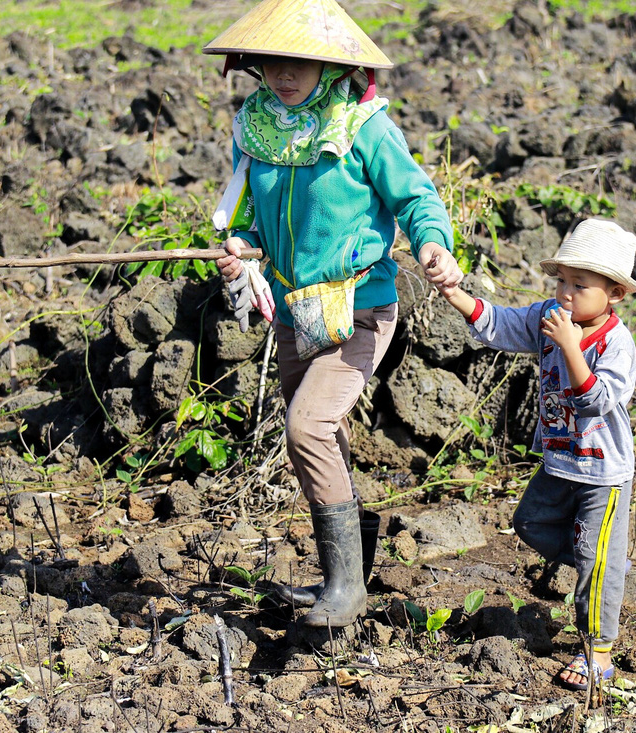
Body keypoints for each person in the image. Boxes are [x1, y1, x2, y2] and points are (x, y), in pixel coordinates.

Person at [202, 0, 462, 629]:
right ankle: (347, 570)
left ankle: (346, 589)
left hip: (361, 308)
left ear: (329, 63)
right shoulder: (256, 127)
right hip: (295, 310)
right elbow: (243, 214)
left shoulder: (362, 125)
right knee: (324, 439)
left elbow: (416, 195)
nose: (284, 75)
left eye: (300, 62)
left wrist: (432, 242)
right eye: (272, 62)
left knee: (306, 429)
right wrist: (238, 247)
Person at [435, 218, 636, 690]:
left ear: (615, 294)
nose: (566, 293)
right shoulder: (549, 315)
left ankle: (598, 653)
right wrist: (457, 295)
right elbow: (505, 325)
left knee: (593, 556)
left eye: (580, 285)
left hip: (603, 471)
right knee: (529, 523)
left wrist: (570, 347)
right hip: (561, 462)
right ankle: (607, 564)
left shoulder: (616, 343)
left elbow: (597, 401)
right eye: (561, 281)